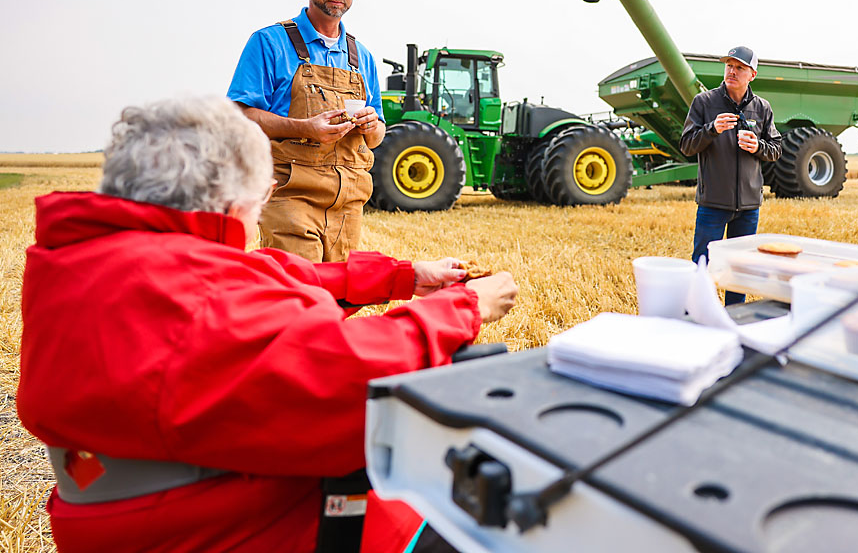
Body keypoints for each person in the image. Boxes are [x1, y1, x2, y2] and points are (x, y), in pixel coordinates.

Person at [17, 97, 519, 553]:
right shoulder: (191, 307)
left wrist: (403, 277)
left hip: (160, 510)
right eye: (263, 197)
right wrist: (464, 307)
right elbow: (350, 380)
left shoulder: (96, 264)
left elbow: (263, 276)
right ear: (231, 202)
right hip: (248, 526)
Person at [227, 0, 385, 263]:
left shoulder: (361, 56)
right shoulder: (269, 42)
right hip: (291, 196)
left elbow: (378, 134)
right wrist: (304, 128)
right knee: (299, 296)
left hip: (348, 204)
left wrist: (371, 125)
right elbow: (239, 116)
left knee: (339, 303)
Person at [679, 45, 783, 305]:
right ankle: (696, 314)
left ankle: (734, 318)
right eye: (729, 66)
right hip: (713, 203)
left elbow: (776, 149)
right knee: (702, 265)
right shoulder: (704, 103)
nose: (732, 71)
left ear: (752, 75)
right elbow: (687, 145)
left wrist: (758, 147)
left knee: (739, 270)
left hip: (749, 207)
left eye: (739, 67)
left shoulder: (762, 108)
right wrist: (711, 129)